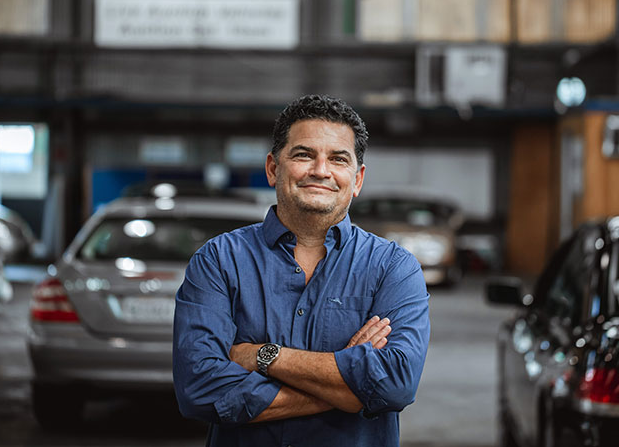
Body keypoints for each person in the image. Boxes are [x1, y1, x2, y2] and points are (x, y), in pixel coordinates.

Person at [173, 94, 430, 447]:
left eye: (338, 159)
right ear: (273, 168)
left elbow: (396, 384)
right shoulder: (219, 260)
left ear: (357, 180)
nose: (321, 170)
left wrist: (263, 355)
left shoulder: (393, 268)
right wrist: (352, 391)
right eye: (304, 154)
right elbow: (200, 389)